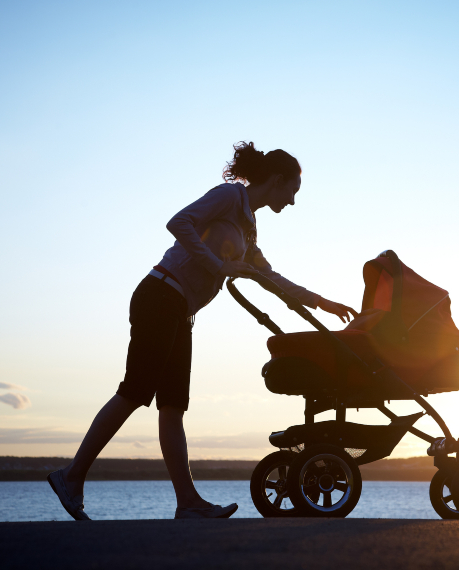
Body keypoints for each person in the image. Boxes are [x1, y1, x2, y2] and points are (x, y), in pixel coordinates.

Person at [48, 141, 358, 520]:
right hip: (159, 295)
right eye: (292, 191)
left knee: (173, 406)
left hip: (181, 310)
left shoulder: (248, 230)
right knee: (135, 392)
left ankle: (188, 502)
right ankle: (71, 475)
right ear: (277, 180)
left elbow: (269, 276)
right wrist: (218, 266)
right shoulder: (229, 197)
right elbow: (179, 222)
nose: (292, 202)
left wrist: (321, 302)